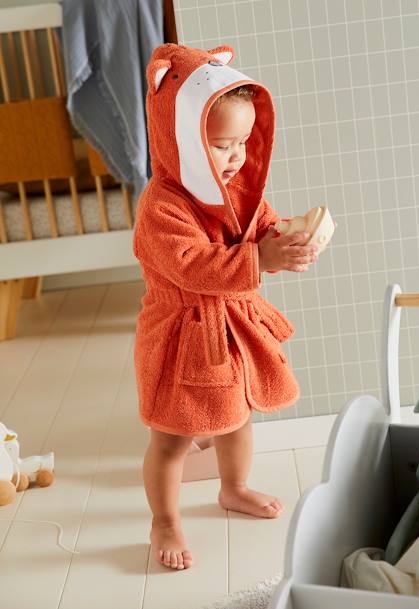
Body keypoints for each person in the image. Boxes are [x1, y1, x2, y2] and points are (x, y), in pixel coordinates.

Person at [133, 43, 318, 571]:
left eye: (242, 141)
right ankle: (164, 519)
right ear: (179, 139)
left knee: (237, 418)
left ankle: (233, 487)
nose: (235, 156)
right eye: (220, 145)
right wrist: (260, 258)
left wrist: (289, 240)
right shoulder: (161, 206)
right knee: (172, 436)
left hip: (232, 329)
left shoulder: (238, 185)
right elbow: (192, 265)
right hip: (181, 335)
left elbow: (261, 228)